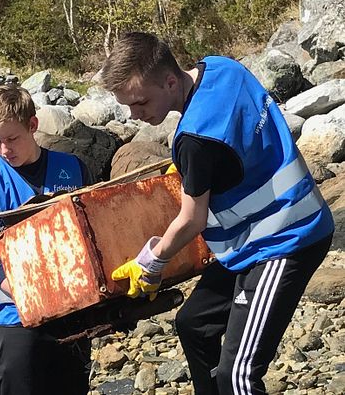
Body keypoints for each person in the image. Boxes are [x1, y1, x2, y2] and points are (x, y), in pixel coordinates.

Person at [100, 32, 334, 395]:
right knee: (194, 325)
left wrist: (151, 261)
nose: (136, 115)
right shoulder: (222, 67)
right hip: (253, 238)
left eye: (141, 102)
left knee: (237, 376)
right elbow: (237, 135)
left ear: (170, 80)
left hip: (287, 239)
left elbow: (192, 219)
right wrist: (197, 172)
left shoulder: (195, 140)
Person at [0, 84, 93, 395]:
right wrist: (26, 294)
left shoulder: (73, 169)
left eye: (12, 139)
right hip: (17, 317)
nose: (4, 150)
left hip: (72, 312)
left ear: (32, 126)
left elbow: (94, 234)